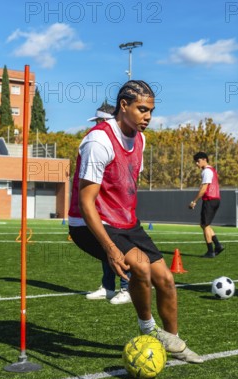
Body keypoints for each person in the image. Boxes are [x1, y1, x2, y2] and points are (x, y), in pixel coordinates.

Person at [68, 80, 203, 363]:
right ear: (124, 105)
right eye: (142, 109)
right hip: (90, 222)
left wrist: (127, 226)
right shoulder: (99, 141)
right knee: (141, 268)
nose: (148, 116)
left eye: (151, 111)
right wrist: (111, 249)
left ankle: (174, 343)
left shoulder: (141, 139)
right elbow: (85, 202)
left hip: (126, 222)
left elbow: (127, 187)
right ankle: (149, 330)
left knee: (166, 279)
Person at [84, 102, 132, 305]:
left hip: (118, 208)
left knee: (121, 248)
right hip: (103, 206)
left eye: (98, 121)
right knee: (106, 247)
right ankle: (108, 287)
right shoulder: (99, 142)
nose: (95, 125)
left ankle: (127, 287)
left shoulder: (124, 142)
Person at [188, 152, 224, 258]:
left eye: (198, 161)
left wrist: (194, 201)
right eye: (195, 162)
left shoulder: (206, 171)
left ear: (204, 159)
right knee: (205, 225)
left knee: (205, 225)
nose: (196, 164)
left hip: (210, 200)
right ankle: (217, 246)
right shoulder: (211, 170)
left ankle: (210, 251)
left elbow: (204, 188)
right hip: (215, 199)